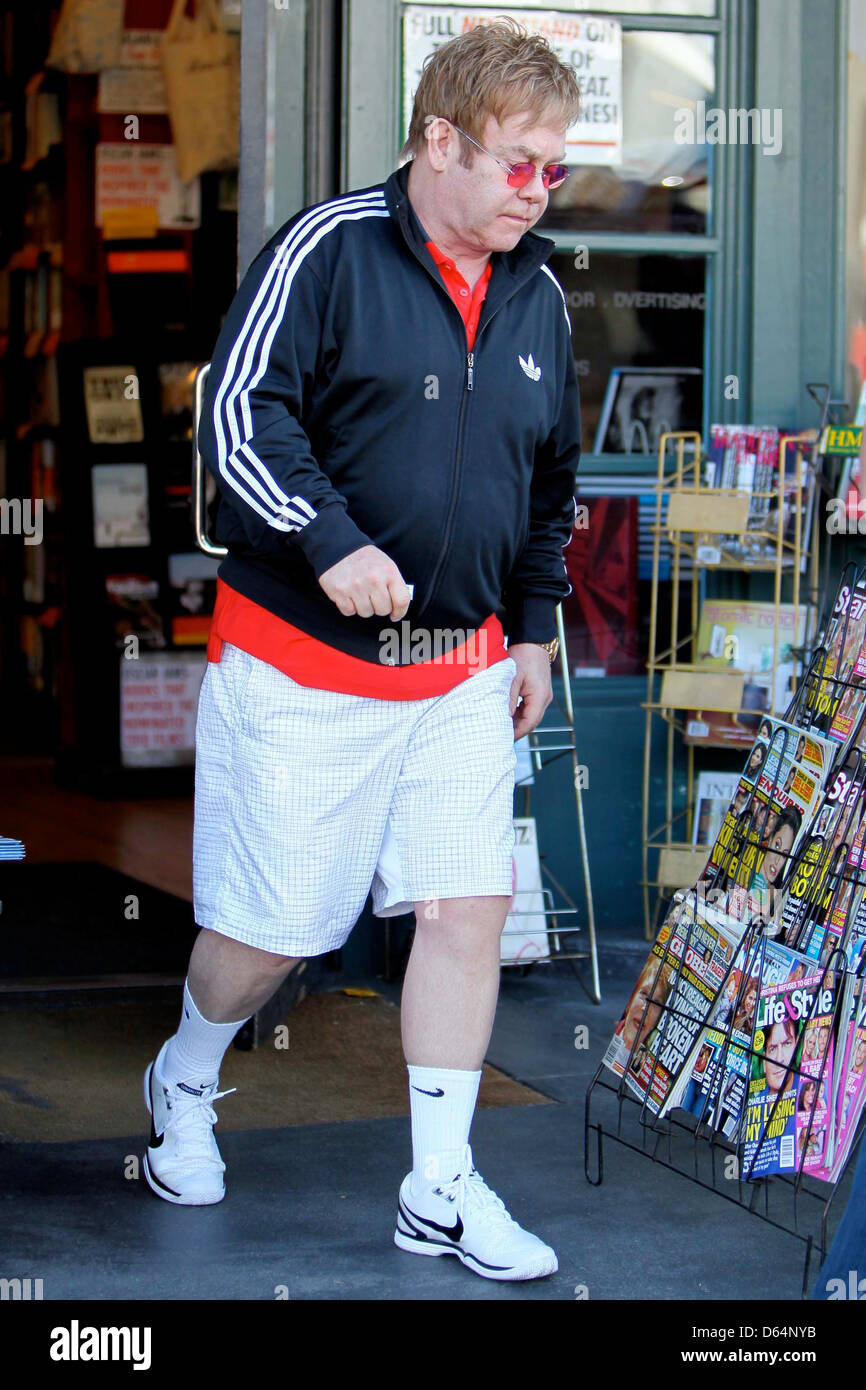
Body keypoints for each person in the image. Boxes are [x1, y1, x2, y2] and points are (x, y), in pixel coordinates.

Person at [140, 20, 582, 1284]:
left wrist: (535, 628)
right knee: (274, 936)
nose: (533, 191)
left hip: (461, 669)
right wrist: (324, 537)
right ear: (436, 139)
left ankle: (437, 1188)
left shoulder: (541, 294)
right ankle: (186, 1071)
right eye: (515, 163)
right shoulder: (327, 250)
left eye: (552, 170)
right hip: (299, 665)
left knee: (464, 911)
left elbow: (547, 483)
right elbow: (235, 407)